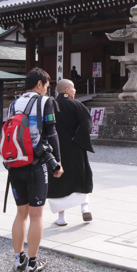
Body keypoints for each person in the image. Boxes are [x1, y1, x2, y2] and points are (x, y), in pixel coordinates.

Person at [7, 68, 63, 272]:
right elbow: (51, 131)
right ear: (40, 84)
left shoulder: (14, 104)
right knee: (36, 214)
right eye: (47, 85)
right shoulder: (44, 101)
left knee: (21, 213)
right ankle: (32, 263)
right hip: (36, 164)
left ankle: (18, 259)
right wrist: (58, 161)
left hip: (14, 163)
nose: (47, 90)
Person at [47, 79, 94, 226]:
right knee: (81, 175)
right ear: (66, 90)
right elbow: (87, 124)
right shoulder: (76, 105)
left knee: (59, 180)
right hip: (75, 148)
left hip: (55, 150)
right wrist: (79, 141)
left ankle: (61, 218)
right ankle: (84, 207)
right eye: (73, 88)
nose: (75, 91)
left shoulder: (50, 105)